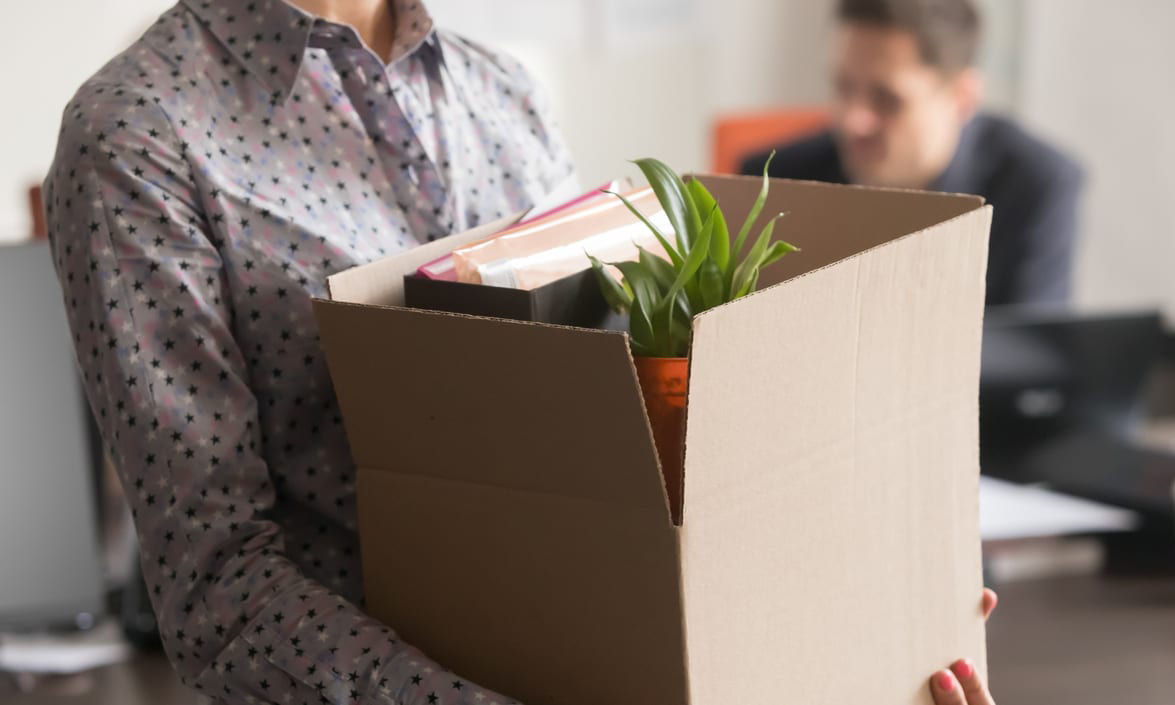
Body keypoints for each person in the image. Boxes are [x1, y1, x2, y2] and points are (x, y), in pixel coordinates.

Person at [43, 1, 996, 702]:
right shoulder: (140, 133)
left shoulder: (506, 94)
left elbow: (617, 473)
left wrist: (857, 620)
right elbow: (219, 589)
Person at [742, 0, 1084, 308]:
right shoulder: (773, 181)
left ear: (962, 97)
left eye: (887, 99)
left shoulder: (1037, 184)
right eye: (843, 86)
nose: (852, 121)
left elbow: (1033, 363)